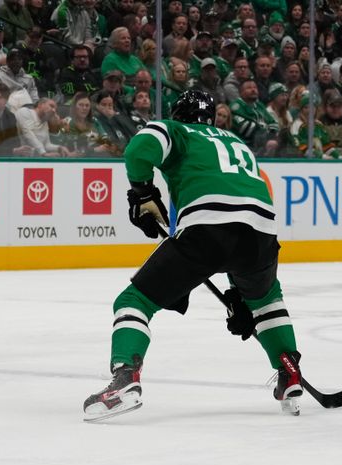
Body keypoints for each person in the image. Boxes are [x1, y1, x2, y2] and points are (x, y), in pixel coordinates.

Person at [83, 90, 305, 421]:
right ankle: (290, 372)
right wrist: (241, 290)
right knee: (266, 301)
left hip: (208, 228)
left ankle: (125, 379)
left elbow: (139, 149)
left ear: (178, 113)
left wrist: (142, 191)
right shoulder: (235, 141)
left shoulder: (177, 129)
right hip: (261, 232)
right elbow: (251, 200)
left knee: (134, 302)